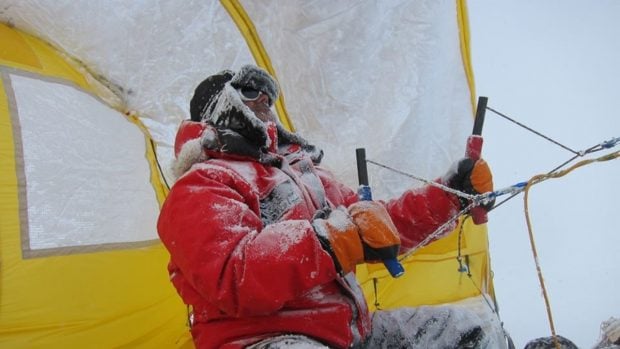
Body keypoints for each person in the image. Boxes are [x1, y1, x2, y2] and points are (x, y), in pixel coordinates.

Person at [157, 65, 498, 349]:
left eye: (268, 97)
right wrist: (332, 239)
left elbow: (376, 224)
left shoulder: (307, 174)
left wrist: (451, 197)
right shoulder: (202, 184)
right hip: (262, 340)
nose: (265, 102)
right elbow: (234, 276)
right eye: (248, 93)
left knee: (469, 331)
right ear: (219, 108)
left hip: (350, 334)